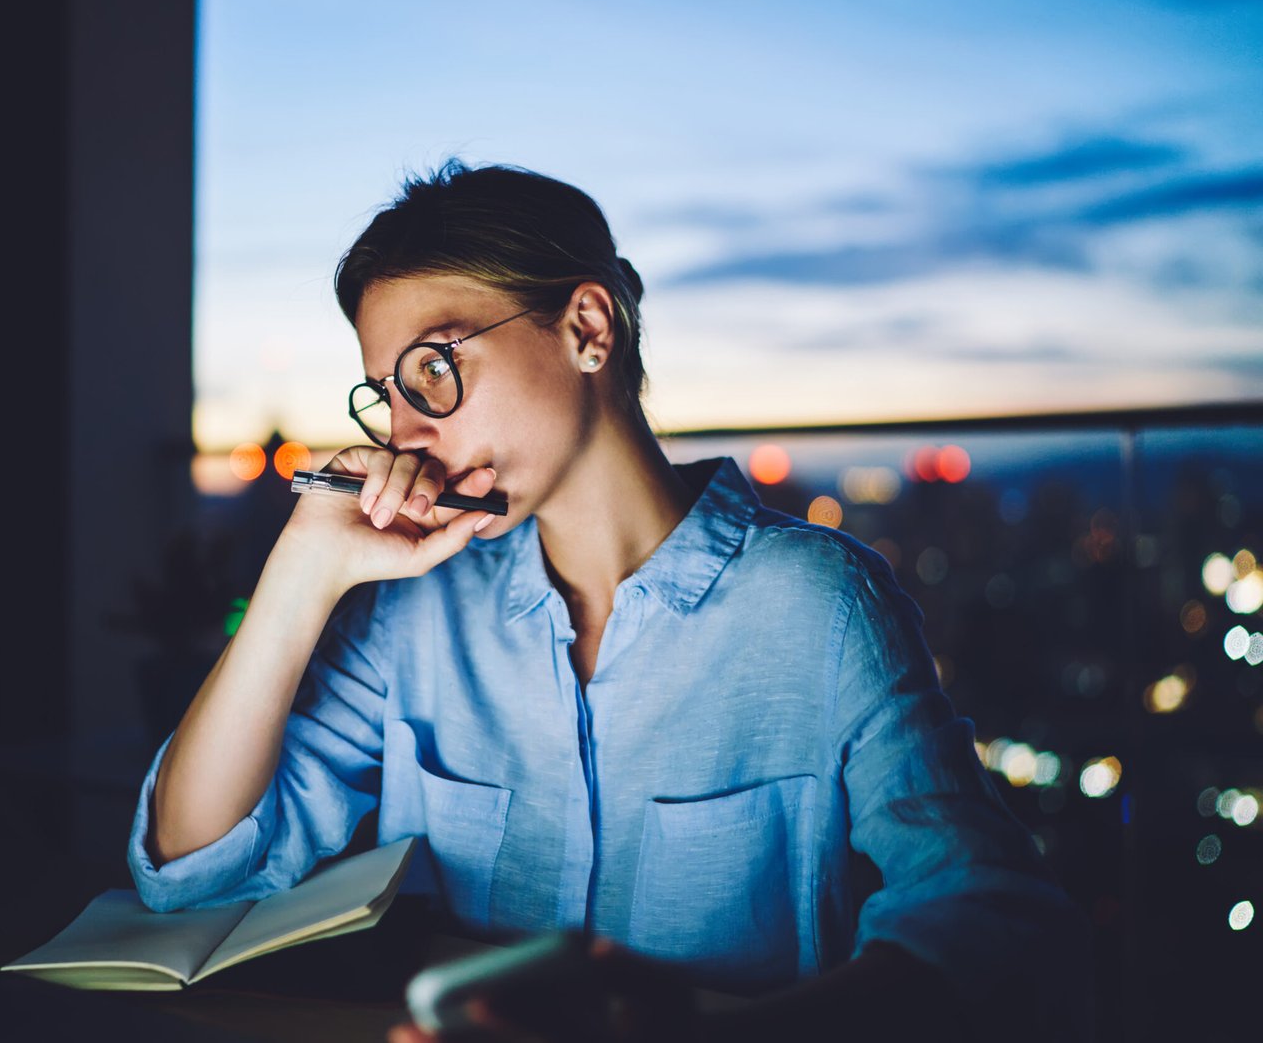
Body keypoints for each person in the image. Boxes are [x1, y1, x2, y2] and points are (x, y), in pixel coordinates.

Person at [129, 162, 1088, 1040]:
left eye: (434, 369)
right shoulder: (416, 613)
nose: (410, 434)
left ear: (588, 328)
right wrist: (300, 572)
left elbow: (985, 916)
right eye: (388, 396)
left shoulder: (819, 605)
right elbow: (189, 870)